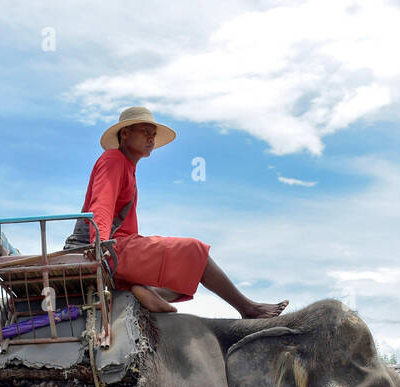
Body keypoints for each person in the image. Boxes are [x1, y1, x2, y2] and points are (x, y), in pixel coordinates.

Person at [67, 106, 288, 318]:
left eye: (153, 134)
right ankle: (248, 308)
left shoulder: (128, 168)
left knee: (180, 277)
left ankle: (142, 289)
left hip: (116, 244)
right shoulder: (113, 160)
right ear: (125, 133)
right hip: (103, 247)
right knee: (192, 251)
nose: (151, 139)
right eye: (145, 132)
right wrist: (100, 242)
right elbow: (102, 204)